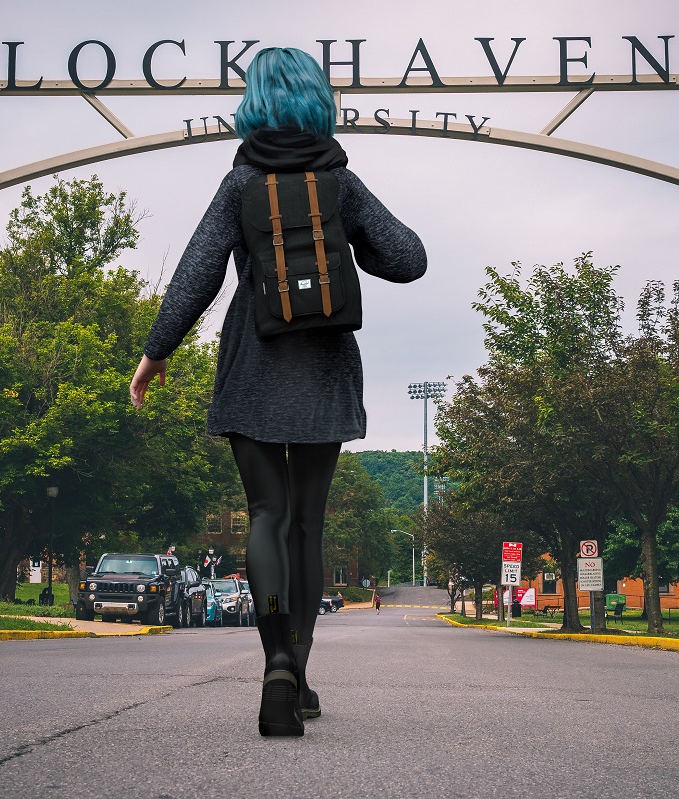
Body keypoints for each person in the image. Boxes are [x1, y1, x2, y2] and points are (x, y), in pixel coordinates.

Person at [130, 47, 426, 737]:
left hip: (252, 365)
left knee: (265, 514)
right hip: (323, 368)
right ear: (318, 102)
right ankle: (301, 672)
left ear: (255, 103)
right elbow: (408, 257)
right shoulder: (340, 182)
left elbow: (196, 276)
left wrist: (156, 352)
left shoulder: (239, 184)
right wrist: (348, 246)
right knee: (307, 525)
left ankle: (277, 666)